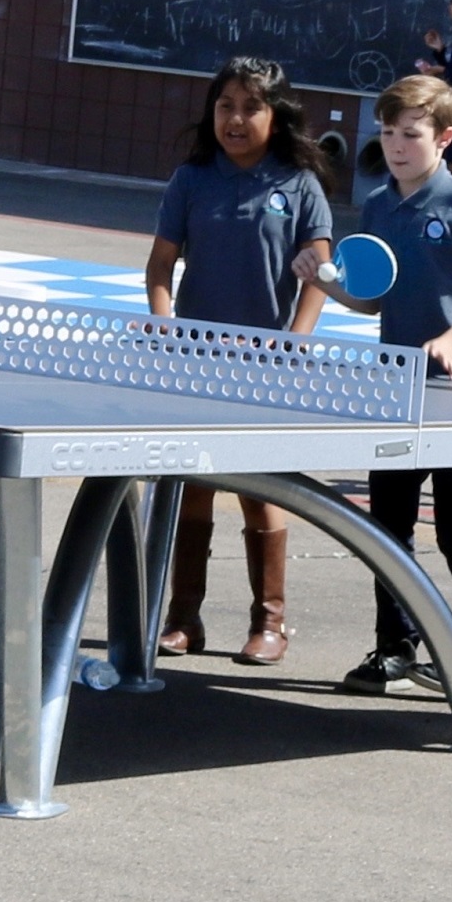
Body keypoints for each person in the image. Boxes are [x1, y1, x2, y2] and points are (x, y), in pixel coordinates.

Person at [323, 75, 452, 698]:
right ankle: (394, 648)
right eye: (387, 133)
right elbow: (368, 299)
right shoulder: (379, 205)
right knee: (389, 522)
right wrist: (323, 281)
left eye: (411, 134)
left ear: (445, 138)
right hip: (398, 379)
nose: (397, 145)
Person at [142, 57, 333, 663]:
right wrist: (166, 324)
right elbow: (159, 267)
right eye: (226, 105)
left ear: (277, 117)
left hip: (263, 370)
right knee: (191, 489)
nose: (236, 118)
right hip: (196, 364)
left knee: (260, 490)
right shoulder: (192, 179)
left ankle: (270, 624)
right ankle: (182, 619)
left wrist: (294, 342)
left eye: (251, 106)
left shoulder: (298, 185)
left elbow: (320, 275)